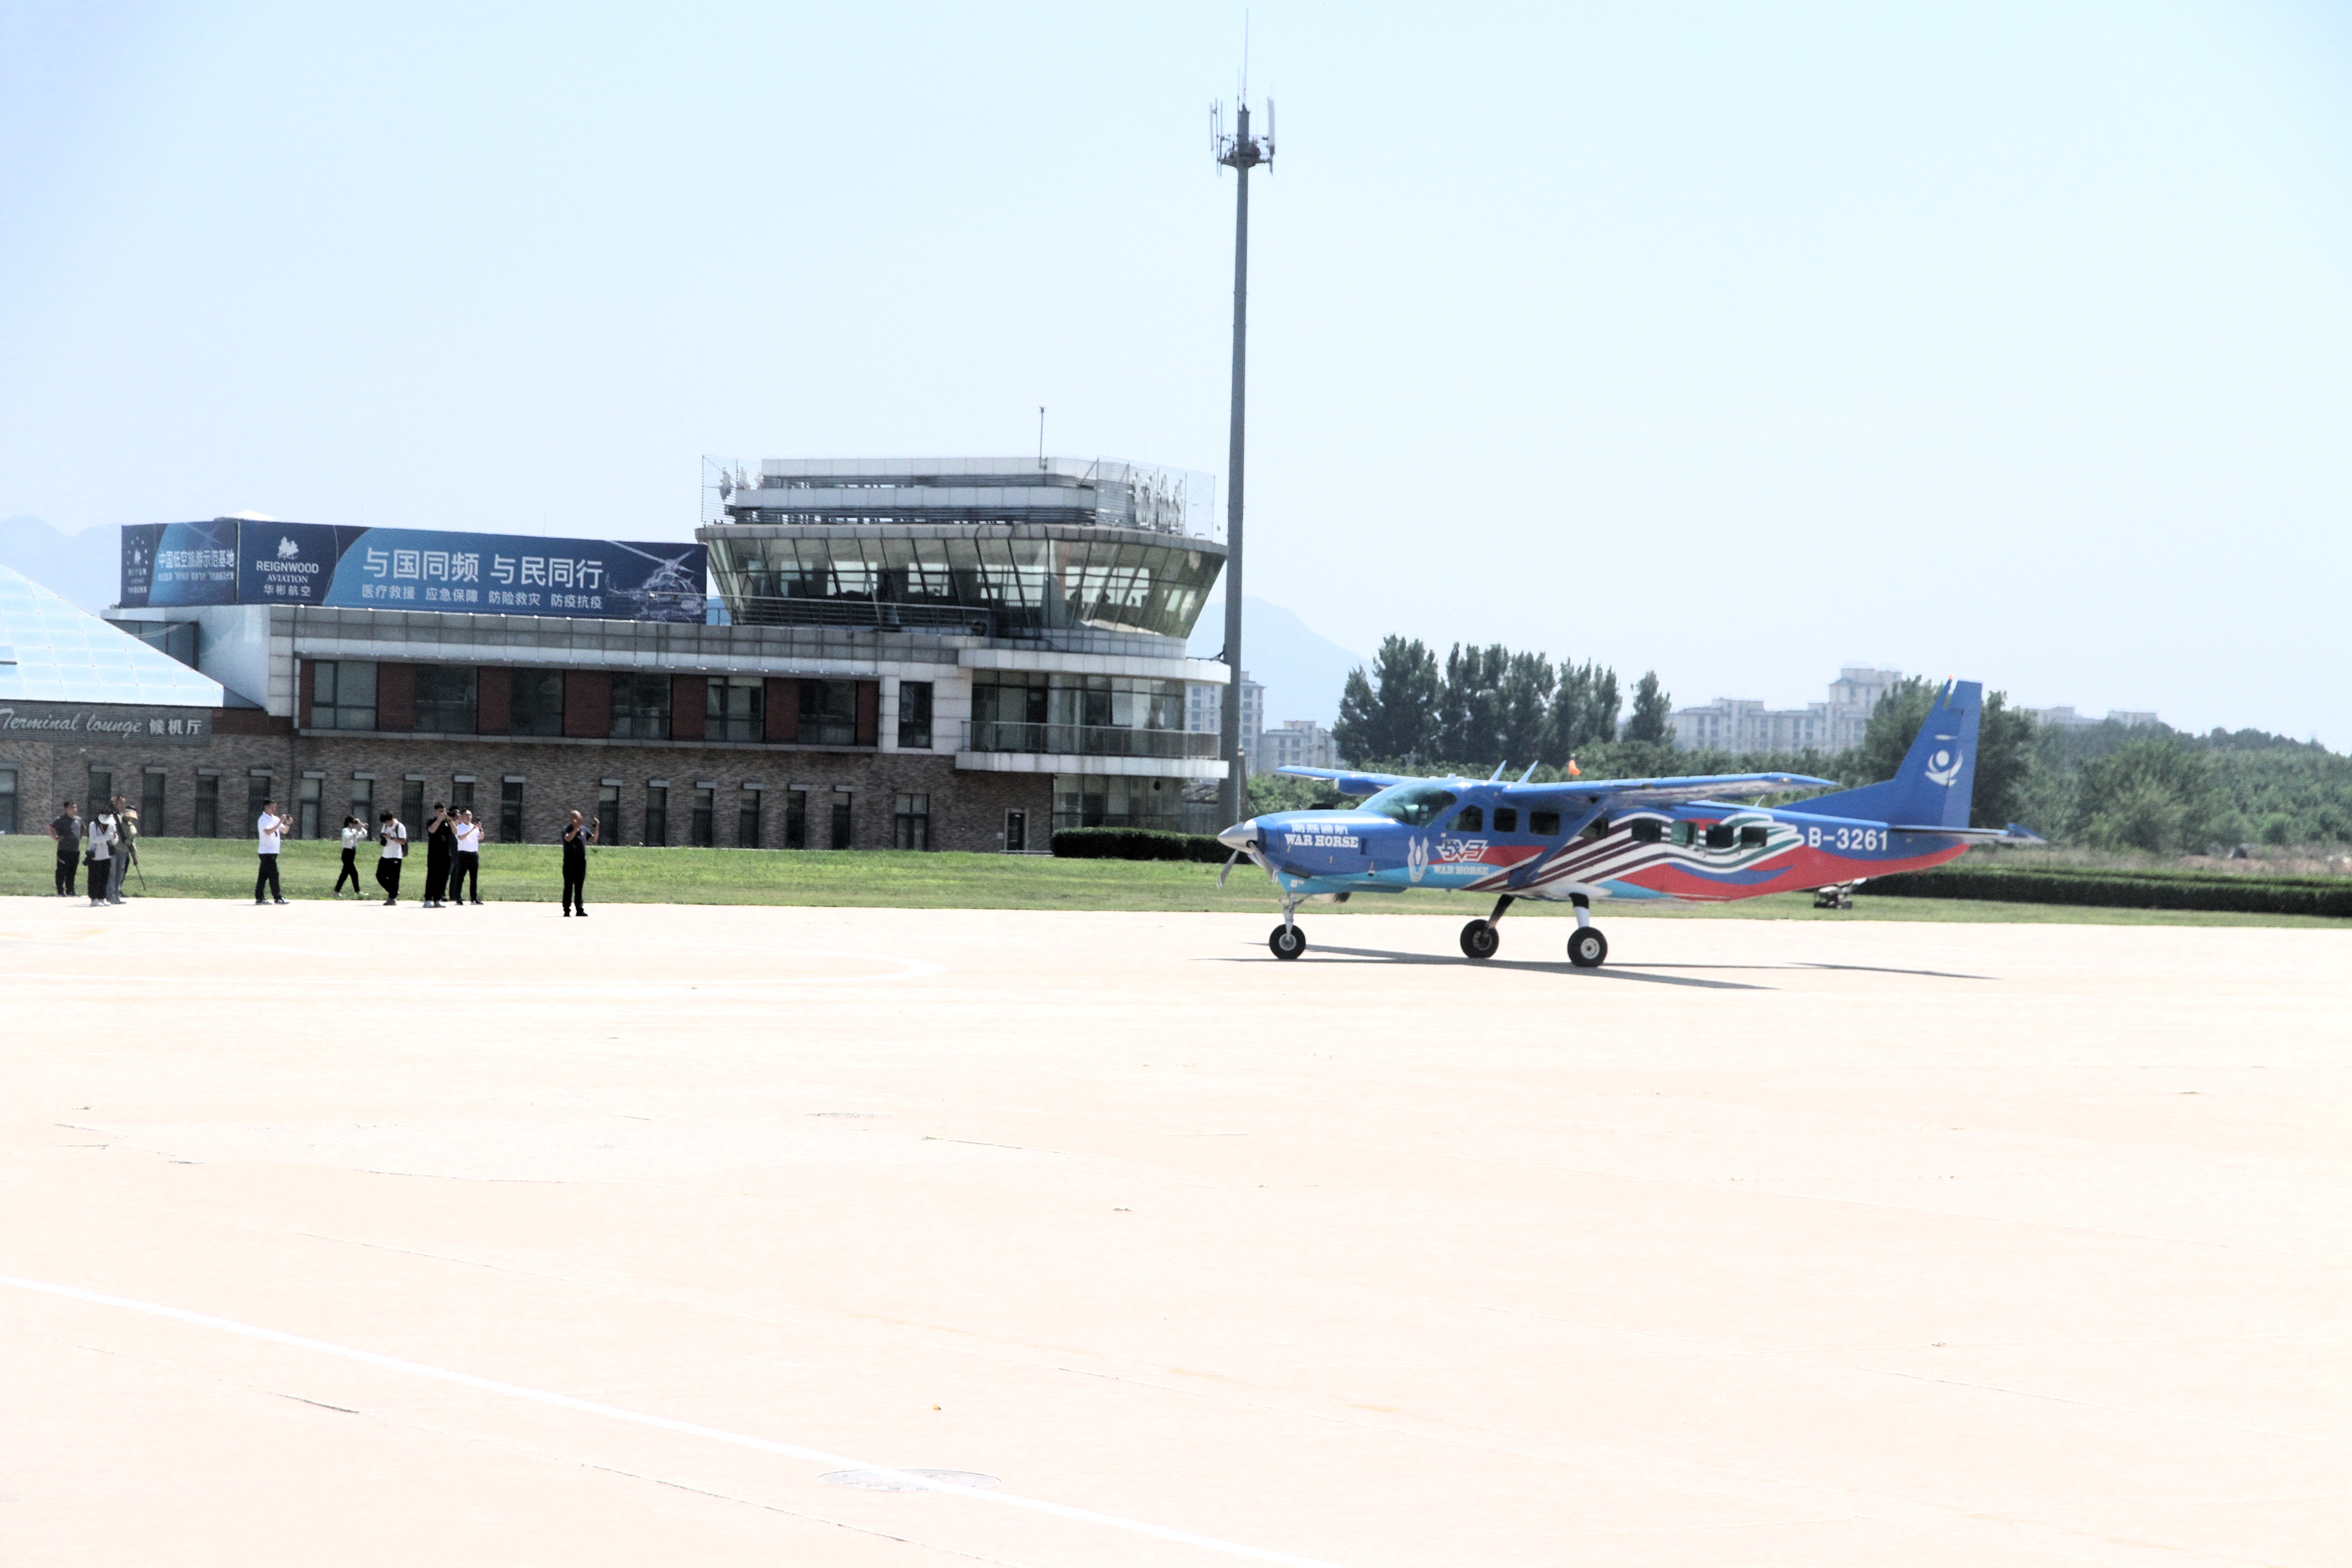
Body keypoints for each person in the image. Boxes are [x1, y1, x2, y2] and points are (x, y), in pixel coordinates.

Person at [560, 808, 597, 916]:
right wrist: (576, 829)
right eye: (577, 817)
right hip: (569, 863)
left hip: (581, 863)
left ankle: (579, 909)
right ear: (572, 819)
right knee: (568, 886)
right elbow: (568, 839)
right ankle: (567, 910)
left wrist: (597, 826)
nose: (580, 819)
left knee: (579, 886)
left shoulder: (584, 830)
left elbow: (594, 839)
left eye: (580, 817)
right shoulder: (566, 829)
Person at [254, 798, 289, 905]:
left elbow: (284, 831)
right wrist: (280, 823)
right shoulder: (263, 820)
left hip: (273, 851)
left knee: (263, 876)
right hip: (266, 852)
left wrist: (287, 824)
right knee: (274, 874)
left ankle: (259, 898)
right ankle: (278, 897)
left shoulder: (275, 819)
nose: (274, 810)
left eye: (275, 808)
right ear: (266, 807)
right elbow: (268, 832)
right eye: (272, 808)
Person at [421, 802, 455, 908]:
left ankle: (438, 899)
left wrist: (449, 820)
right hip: (434, 854)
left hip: (446, 854)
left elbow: (455, 831)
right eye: (440, 811)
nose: (442, 813)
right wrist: (439, 819)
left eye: (443, 811)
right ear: (435, 812)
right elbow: (432, 830)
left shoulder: (447, 823)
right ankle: (428, 899)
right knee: (432, 877)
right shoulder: (431, 821)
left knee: (443, 877)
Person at [109, 794, 140, 899]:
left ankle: (117, 894)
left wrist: (135, 857)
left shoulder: (132, 827)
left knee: (120, 874)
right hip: (115, 849)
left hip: (124, 851)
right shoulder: (116, 818)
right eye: (121, 803)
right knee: (112, 874)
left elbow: (132, 843)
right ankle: (111, 895)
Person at [375, 808, 407, 905]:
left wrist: (392, 838)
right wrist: (383, 837)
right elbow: (383, 836)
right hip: (386, 855)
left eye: (387, 822)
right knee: (380, 876)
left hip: (396, 855)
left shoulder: (400, 827)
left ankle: (392, 898)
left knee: (394, 878)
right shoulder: (385, 826)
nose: (386, 824)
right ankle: (393, 891)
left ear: (391, 819)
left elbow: (403, 841)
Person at [84, 811, 116, 908]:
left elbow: (114, 840)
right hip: (95, 856)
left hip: (107, 855)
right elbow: (94, 839)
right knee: (94, 878)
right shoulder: (94, 825)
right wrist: (107, 837)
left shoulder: (111, 825)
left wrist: (114, 838)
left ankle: (102, 897)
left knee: (104, 878)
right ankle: (94, 898)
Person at [450, 809, 482, 905]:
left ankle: (474, 898)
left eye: (470, 815)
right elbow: (460, 837)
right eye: (467, 815)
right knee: (460, 877)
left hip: (474, 854)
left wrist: (480, 829)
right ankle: (458, 898)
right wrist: (471, 831)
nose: (469, 817)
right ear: (463, 817)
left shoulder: (475, 827)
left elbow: (481, 837)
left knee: (474, 877)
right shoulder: (460, 827)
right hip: (463, 854)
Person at [49, 799, 80, 897]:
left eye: (75, 807)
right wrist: (55, 837)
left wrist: (79, 837)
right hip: (64, 850)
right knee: (62, 870)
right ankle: (60, 891)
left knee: (72, 871)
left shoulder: (78, 820)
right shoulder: (61, 819)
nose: (75, 810)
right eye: (72, 808)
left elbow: (83, 829)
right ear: (67, 809)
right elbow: (50, 827)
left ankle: (70, 890)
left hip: (75, 850)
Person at [333, 815, 365, 896]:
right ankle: (358, 892)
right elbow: (348, 837)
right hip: (347, 853)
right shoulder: (345, 830)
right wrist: (356, 833)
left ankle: (337, 891)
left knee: (345, 874)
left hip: (352, 853)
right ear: (348, 823)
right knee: (354, 873)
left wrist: (361, 825)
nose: (354, 825)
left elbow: (364, 835)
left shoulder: (354, 831)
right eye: (353, 823)